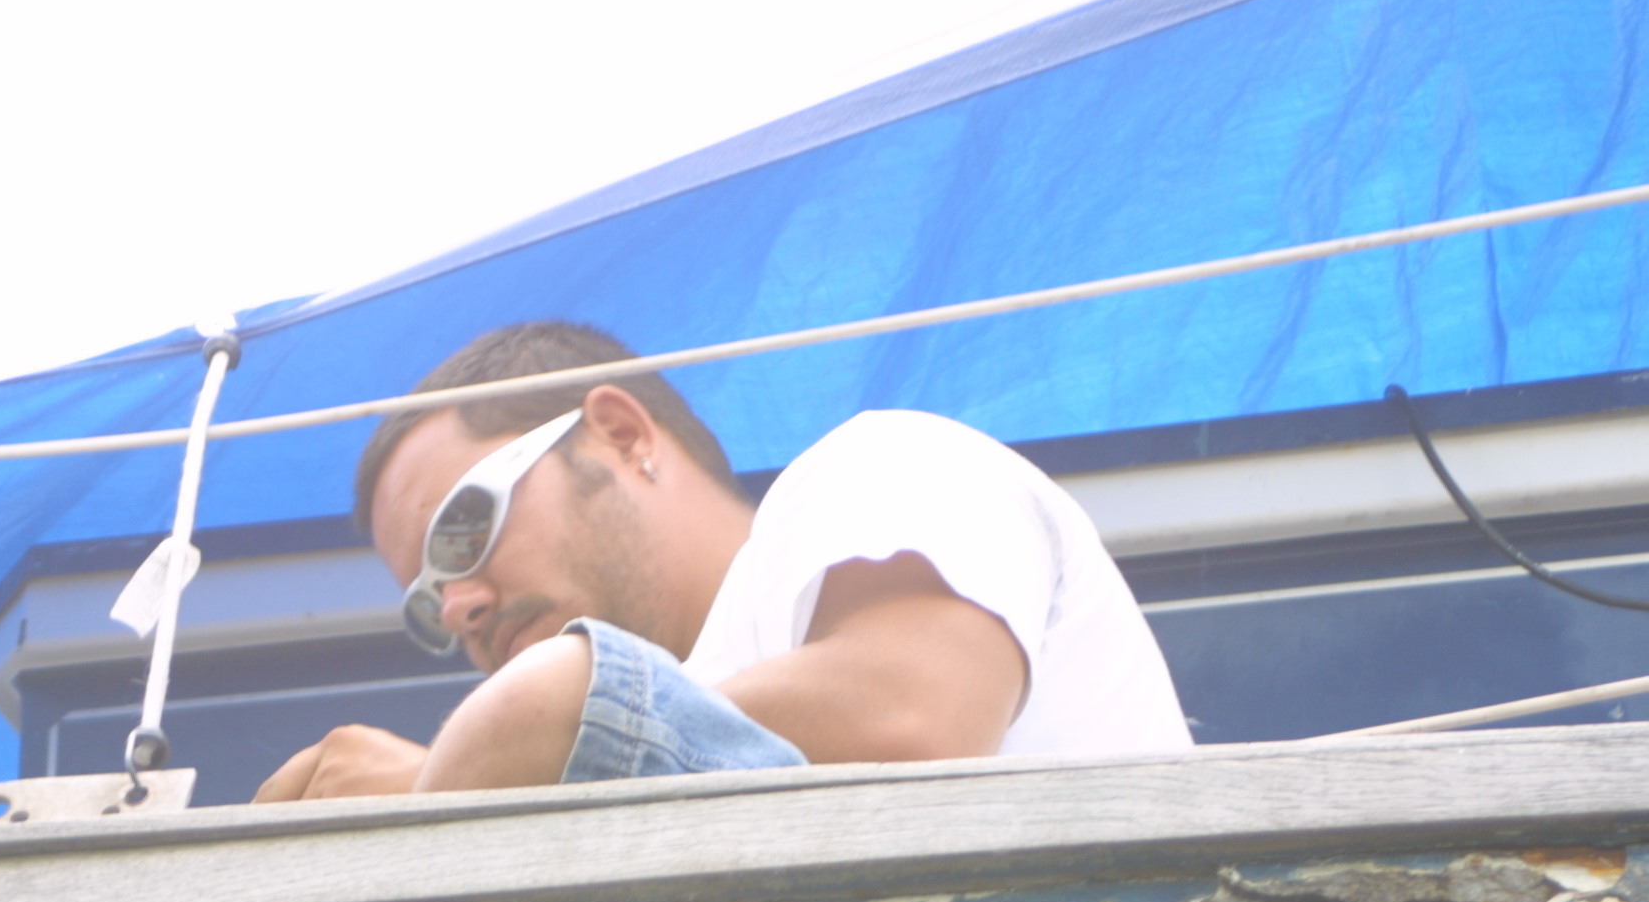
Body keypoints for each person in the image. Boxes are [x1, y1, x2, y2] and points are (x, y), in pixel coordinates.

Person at [253, 322, 1189, 801]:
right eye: (426, 603)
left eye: (461, 532)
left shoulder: (879, 465)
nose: (458, 606)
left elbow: (912, 718)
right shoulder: (613, 789)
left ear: (621, 436)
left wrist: (459, 777)